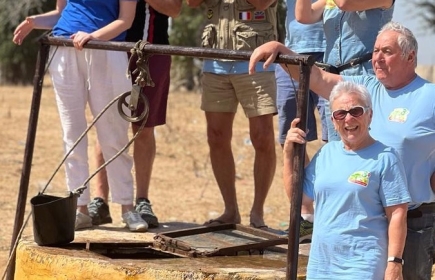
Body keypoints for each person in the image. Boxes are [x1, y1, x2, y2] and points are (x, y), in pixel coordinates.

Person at [249, 21, 435, 280]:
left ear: (410, 56)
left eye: (387, 51)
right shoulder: (365, 88)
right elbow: (318, 78)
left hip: (412, 220)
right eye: (375, 50)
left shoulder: (429, 96)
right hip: (363, 220)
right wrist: (280, 49)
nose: (377, 58)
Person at [12, 0, 149, 232]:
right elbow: (60, 12)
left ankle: (127, 208)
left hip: (106, 50)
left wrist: (94, 36)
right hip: (64, 48)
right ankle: (80, 209)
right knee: (72, 134)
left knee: (114, 134)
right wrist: (35, 22)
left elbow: (125, 20)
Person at [284, 81, 410, 279]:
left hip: (363, 266)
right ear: (333, 121)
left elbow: (397, 214)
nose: (348, 119)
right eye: (340, 114)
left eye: (356, 111)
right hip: (321, 266)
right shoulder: (326, 153)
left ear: (370, 115)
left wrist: (394, 263)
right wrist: (288, 154)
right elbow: (298, 199)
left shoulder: (385, 157)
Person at [88, 0, 182, 229]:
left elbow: (175, 9)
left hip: (153, 51)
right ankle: (100, 201)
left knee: (144, 128)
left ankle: (142, 201)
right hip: (112, 49)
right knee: (106, 124)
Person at [186, 0, 278, 228]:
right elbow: (192, 3)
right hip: (215, 60)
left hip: (255, 60)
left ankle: (257, 213)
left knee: (262, 137)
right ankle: (230, 210)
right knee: (216, 137)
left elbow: (261, 3)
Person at [295, 0, 394, 142]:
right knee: (337, 144)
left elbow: (344, 3)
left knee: (364, 142)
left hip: (365, 78)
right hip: (333, 81)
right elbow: (303, 16)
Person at [276, 0, 326, 242]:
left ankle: (329, 215)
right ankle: (306, 217)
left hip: (335, 52)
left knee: (338, 137)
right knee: (292, 135)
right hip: (292, 51)